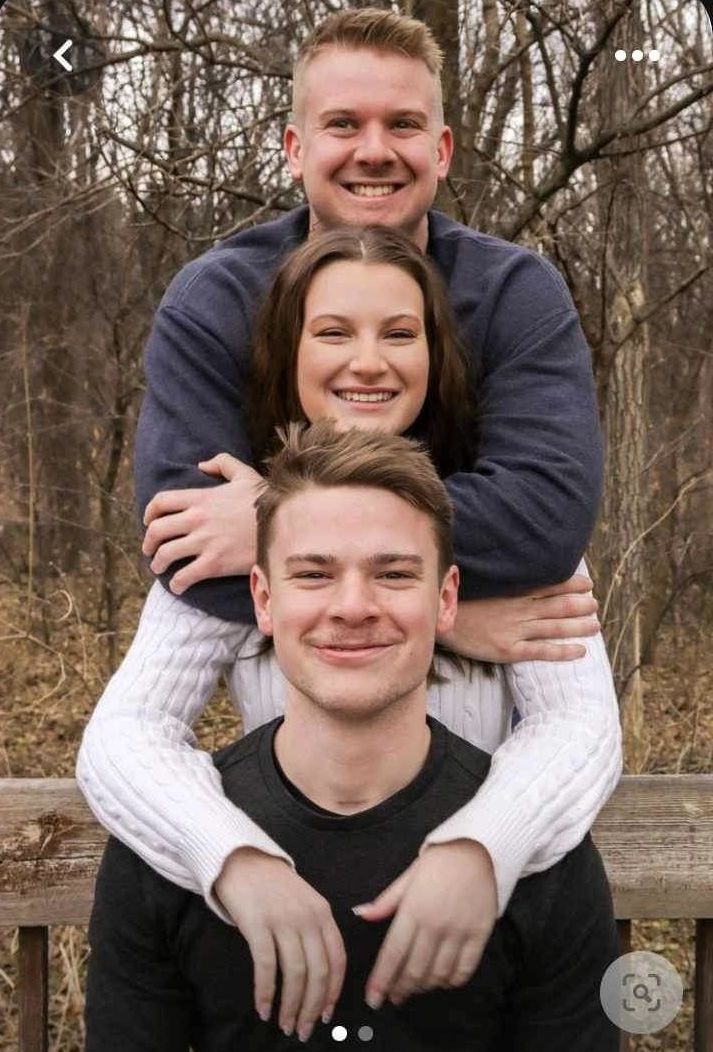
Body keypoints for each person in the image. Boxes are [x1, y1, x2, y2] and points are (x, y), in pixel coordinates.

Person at [78, 227, 621, 1042]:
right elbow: (124, 736)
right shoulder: (238, 529)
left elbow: (580, 728)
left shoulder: (522, 537)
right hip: (278, 899)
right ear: (286, 357)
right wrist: (237, 859)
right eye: (332, 332)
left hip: (479, 921)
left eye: (400, 335)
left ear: (436, 358)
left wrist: (481, 847)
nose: (367, 362)